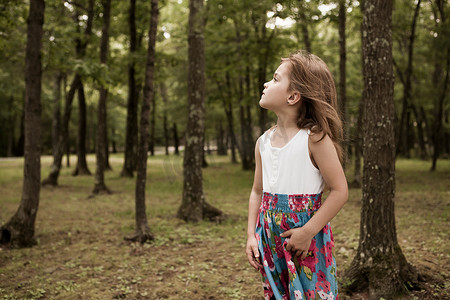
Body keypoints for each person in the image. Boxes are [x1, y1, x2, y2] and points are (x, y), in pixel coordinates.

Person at [246, 50, 348, 300]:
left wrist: (307, 232)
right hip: (269, 240)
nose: (266, 83)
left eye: (276, 79)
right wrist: (251, 235)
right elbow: (257, 191)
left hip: (305, 241)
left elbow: (340, 190)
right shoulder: (263, 142)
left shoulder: (314, 139)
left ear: (293, 96)